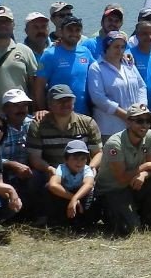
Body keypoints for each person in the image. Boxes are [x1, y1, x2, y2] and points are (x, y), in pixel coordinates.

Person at [25, 85, 102, 218]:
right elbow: (34, 158)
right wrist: (50, 169)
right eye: (60, 101)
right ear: (49, 104)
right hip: (53, 170)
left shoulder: (88, 123)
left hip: (81, 169)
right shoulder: (38, 125)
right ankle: (40, 215)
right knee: (35, 177)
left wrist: (91, 168)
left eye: (69, 100)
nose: (65, 104)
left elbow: (98, 153)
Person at [94, 103, 151, 236]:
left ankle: (149, 224)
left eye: (148, 121)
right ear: (128, 121)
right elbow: (121, 178)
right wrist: (145, 167)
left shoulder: (150, 135)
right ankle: (117, 217)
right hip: (112, 190)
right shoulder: (114, 143)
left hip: (131, 186)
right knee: (129, 230)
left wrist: (144, 174)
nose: (144, 125)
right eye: (139, 121)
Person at [0, 5, 38, 115]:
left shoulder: (25, 51)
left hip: (20, 116)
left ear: (13, 24)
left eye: (7, 21)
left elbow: (34, 86)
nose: (3, 25)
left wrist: (35, 111)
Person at [87, 30, 147, 139]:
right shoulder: (96, 68)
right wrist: (124, 115)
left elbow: (141, 86)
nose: (120, 50)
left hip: (134, 126)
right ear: (107, 47)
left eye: (122, 47)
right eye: (116, 47)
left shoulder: (129, 64)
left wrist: (141, 109)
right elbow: (98, 98)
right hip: (110, 128)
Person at [36, 15, 94, 115]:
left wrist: (123, 56)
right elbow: (39, 87)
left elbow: (100, 69)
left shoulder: (85, 52)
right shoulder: (50, 54)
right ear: (61, 31)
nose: (74, 33)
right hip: (58, 115)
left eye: (77, 30)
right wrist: (43, 110)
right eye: (70, 30)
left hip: (84, 115)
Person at [44, 140, 98, 229]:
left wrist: (75, 198)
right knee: (47, 188)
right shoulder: (62, 168)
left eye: (83, 158)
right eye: (75, 158)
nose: (79, 162)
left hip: (81, 197)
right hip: (66, 196)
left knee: (91, 192)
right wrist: (73, 199)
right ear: (66, 159)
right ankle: (56, 220)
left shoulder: (87, 169)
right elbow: (53, 185)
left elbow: (88, 184)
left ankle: (85, 221)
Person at [0, 89, 35, 204]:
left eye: (24, 105)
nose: (21, 109)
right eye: (16, 106)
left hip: (29, 172)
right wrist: (11, 164)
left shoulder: (34, 123)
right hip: (4, 173)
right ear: (5, 109)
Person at [127, 21, 151, 111]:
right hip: (136, 110)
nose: (149, 37)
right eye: (145, 34)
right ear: (137, 35)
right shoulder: (129, 55)